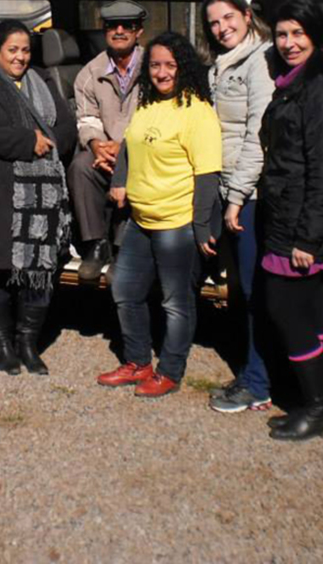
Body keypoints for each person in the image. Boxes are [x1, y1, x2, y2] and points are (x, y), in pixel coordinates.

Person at [97, 32, 221, 397]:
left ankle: (170, 370)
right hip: (141, 219)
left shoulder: (197, 111)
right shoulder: (149, 104)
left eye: (170, 65)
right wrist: (120, 180)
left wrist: (200, 228)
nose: (162, 72)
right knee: (125, 290)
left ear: (184, 67)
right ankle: (138, 361)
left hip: (176, 223)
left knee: (175, 302)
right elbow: (129, 147)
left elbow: (208, 175)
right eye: (155, 65)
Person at [0, 20, 76, 375]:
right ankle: (4, 345)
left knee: (38, 274)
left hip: (41, 200)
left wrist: (51, 142)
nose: (20, 57)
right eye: (13, 50)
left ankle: (28, 343)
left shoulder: (43, 83)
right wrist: (28, 142)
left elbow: (66, 125)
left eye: (25, 50)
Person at [259, 0, 323, 441]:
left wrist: (308, 240)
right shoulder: (293, 82)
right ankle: (318, 404)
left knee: (287, 310)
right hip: (290, 214)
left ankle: (317, 410)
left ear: (315, 35)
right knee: (313, 311)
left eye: (298, 33)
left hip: (300, 226)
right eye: (281, 34)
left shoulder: (321, 90)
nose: (289, 43)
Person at [200, 0, 277, 414]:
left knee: (252, 290)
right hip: (226, 185)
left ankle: (259, 383)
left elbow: (257, 137)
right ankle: (251, 371)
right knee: (239, 289)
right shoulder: (224, 63)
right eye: (213, 22)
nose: (221, 27)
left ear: (246, 17)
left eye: (228, 18)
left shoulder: (260, 63)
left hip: (247, 192)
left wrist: (237, 197)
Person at [69, 0, 147, 282]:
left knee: (140, 169)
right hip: (104, 148)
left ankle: (124, 248)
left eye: (128, 25)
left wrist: (125, 147)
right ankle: (96, 245)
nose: (119, 30)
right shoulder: (89, 73)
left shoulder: (154, 67)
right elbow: (87, 119)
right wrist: (97, 146)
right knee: (80, 166)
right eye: (112, 25)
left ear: (139, 31)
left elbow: (156, 118)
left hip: (143, 148)